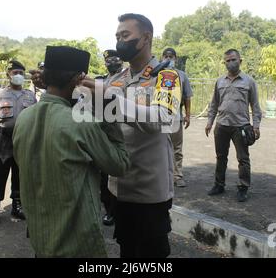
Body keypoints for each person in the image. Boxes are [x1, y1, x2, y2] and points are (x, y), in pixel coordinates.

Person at [79, 14, 182, 258]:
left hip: (149, 189)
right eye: (117, 36)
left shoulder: (166, 77)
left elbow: (161, 119)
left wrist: (110, 97)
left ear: (146, 38)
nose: (120, 41)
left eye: (125, 35)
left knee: (150, 253)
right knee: (127, 248)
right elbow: (99, 116)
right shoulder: (117, 78)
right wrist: (79, 90)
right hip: (119, 185)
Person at [13, 46, 130, 257]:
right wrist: (108, 109)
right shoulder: (82, 124)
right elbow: (120, 164)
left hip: (41, 238)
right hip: (77, 243)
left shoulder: (24, 118)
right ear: (78, 80)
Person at [205, 49, 262, 202]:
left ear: (240, 61)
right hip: (222, 125)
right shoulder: (220, 81)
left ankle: (243, 188)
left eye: (233, 59)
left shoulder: (249, 81)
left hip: (241, 127)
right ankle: (219, 184)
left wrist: (256, 125)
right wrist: (210, 122)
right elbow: (214, 104)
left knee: (243, 159)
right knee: (221, 157)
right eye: (227, 61)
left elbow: (255, 106)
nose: (230, 63)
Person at [0, 60, 37, 225]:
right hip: (3, 142)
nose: (18, 76)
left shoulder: (30, 96)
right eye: (15, 73)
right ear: (8, 74)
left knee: (20, 176)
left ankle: (17, 206)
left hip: (24, 143)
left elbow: (35, 118)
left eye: (21, 73)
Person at [97, 49, 125, 226]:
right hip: (103, 132)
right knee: (103, 176)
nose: (112, 62)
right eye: (108, 59)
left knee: (117, 174)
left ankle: (116, 211)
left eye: (115, 58)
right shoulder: (100, 80)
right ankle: (108, 209)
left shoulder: (127, 80)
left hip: (120, 131)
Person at [161, 47, 193, 188]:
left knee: (177, 149)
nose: (168, 59)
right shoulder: (157, 74)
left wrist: (188, 115)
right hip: (158, 116)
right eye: (166, 56)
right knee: (159, 146)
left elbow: (187, 97)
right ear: (162, 58)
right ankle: (162, 176)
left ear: (176, 59)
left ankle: (177, 176)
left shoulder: (182, 75)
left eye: (171, 56)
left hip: (176, 117)